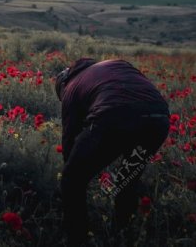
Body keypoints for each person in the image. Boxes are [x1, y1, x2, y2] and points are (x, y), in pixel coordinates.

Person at [55, 57, 170, 247]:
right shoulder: (116, 64)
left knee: (71, 179)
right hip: (158, 119)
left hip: (114, 117)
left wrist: (76, 172)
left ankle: (77, 239)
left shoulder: (71, 86)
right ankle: (124, 234)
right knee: (127, 180)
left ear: (63, 83)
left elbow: (69, 140)